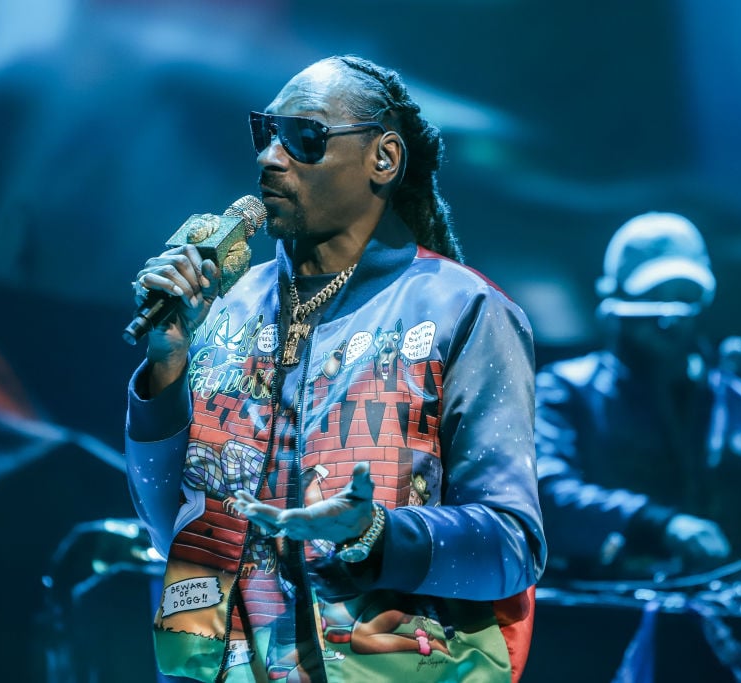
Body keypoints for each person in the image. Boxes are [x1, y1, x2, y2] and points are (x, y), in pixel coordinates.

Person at [124, 54, 546, 683]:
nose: (270, 156)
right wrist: (166, 369)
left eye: (305, 137)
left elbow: (513, 544)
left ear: (384, 158)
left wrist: (378, 534)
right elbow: (169, 532)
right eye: (266, 132)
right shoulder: (221, 312)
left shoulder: (462, 309)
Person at [535, 211, 741, 582]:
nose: (670, 317)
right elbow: (544, 493)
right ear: (616, 302)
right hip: (606, 602)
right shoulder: (566, 390)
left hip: (728, 601)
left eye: (684, 296)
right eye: (652, 296)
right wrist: (654, 523)